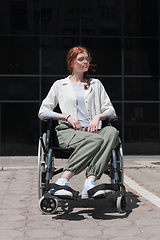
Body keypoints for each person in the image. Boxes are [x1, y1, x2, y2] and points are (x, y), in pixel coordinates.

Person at [38, 46, 119, 199]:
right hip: (69, 131)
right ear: (71, 62)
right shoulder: (59, 85)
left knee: (112, 132)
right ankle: (62, 182)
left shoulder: (96, 84)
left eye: (87, 59)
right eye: (81, 59)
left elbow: (110, 111)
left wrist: (98, 117)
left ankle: (90, 183)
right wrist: (66, 116)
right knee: (96, 140)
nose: (85, 62)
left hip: (92, 130)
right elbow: (43, 112)